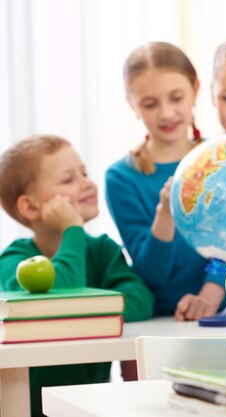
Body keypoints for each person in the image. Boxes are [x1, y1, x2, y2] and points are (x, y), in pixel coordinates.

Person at [0, 134, 154, 417]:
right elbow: (57, 298)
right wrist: (73, 229)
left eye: (83, 172)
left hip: (84, 408)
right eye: (68, 179)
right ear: (30, 207)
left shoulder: (103, 250)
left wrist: (88, 315)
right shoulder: (12, 260)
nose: (87, 183)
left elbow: (140, 299)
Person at [106, 41, 226, 321]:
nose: (166, 113)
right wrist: (165, 215)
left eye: (176, 98)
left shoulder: (223, 158)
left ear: (195, 90)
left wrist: (213, 290)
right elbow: (153, 275)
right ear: (132, 105)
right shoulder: (121, 178)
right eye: (150, 104)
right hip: (160, 322)